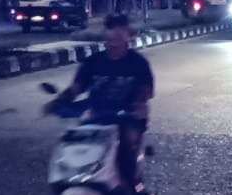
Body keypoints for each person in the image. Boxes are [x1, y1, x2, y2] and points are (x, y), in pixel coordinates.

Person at [47, 13, 154, 184]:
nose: (114, 42)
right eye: (111, 36)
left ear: (127, 37)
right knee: (72, 142)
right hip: (97, 115)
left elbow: (146, 89)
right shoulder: (93, 62)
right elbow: (78, 86)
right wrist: (61, 100)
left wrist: (137, 103)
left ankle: (134, 187)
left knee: (126, 147)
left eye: (119, 36)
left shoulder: (138, 63)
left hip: (128, 117)